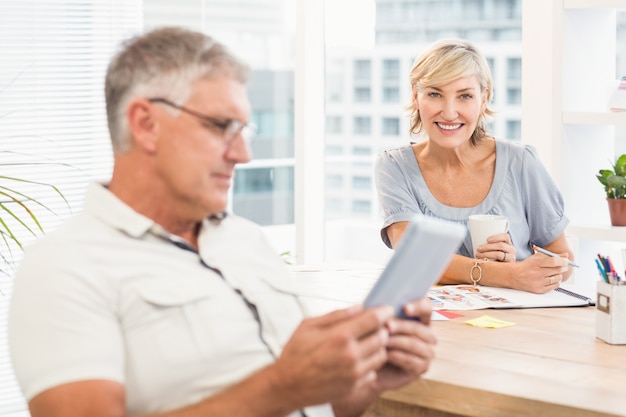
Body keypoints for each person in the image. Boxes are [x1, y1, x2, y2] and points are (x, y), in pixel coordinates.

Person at [8, 27, 437, 417]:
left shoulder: (245, 240)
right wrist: (282, 386)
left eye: (243, 129)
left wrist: (363, 383)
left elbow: (307, 404)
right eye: (221, 126)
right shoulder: (64, 267)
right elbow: (282, 391)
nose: (242, 154)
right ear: (145, 124)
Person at [375, 38, 575, 295]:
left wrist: (525, 267)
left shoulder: (521, 162)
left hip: (517, 323)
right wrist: (506, 274)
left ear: (484, 98)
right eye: (435, 94)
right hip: (437, 324)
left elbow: (563, 259)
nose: (449, 113)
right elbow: (414, 259)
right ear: (415, 95)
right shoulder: (395, 167)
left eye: (465, 96)